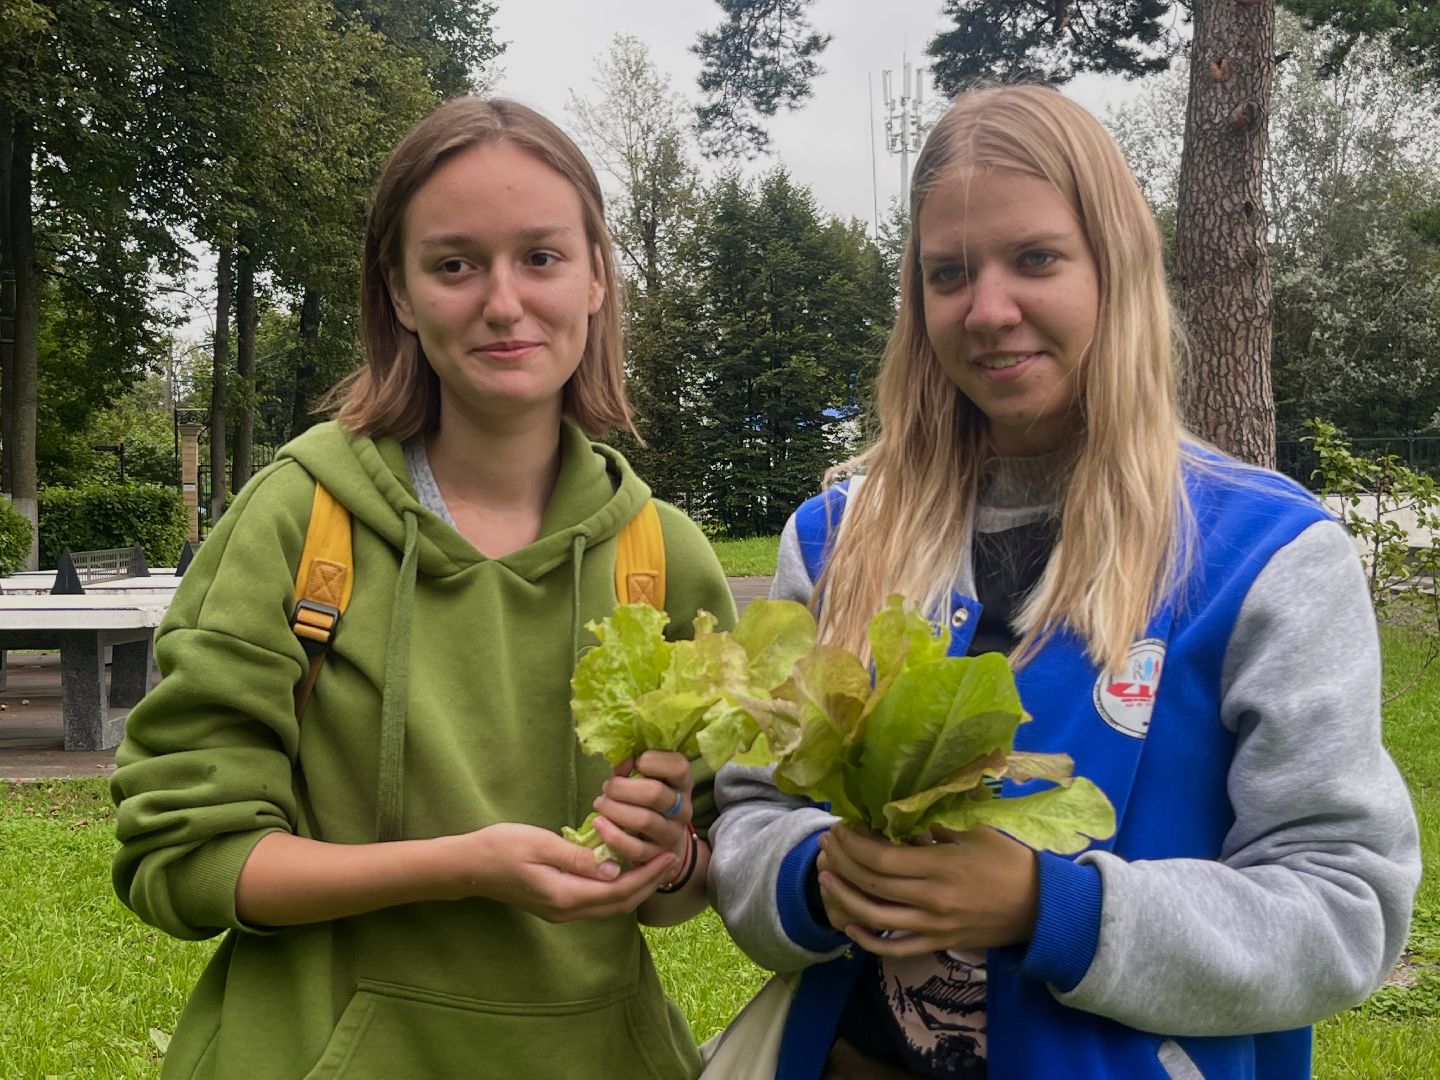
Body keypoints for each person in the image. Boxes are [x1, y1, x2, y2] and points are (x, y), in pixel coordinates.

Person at [707, 84, 1419, 1080]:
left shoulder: (1265, 556)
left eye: (1035, 258)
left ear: (1115, 267)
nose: (989, 310)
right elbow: (748, 813)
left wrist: (1057, 908)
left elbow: (1347, 908)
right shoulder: (834, 541)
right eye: (948, 273)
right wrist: (811, 880)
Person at [111, 97, 735, 1079]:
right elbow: (178, 861)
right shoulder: (296, 522)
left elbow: (692, 883)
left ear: (598, 278)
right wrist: (461, 865)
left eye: (540, 257)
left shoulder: (666, 560)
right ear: (398, 292)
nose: (501, 301)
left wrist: (673, 856)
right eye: (454, 264)